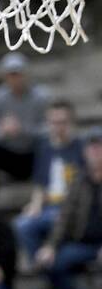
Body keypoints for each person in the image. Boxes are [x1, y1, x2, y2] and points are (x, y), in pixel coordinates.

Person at [14, 100, 85, 265]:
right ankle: (43, 266)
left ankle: (52, 264)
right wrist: (35, 205)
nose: (57, 127)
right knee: (22, 224)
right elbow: (40, 184)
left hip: (73, 209)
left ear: (71, 122)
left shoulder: (81, 148)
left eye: (62, 122)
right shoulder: (44, 147)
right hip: (50, 207)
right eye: (53, 122)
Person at [36, 126, 102, 289]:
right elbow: (64, 217)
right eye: (91, 147)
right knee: (48, 263)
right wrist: (50, 246)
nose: (95, 151)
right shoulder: (78, 182)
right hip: (83, 244)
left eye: (99, 146)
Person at [0, 52, 49, 182]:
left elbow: (49, 130)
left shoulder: (41, 97)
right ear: (4, 76)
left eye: (18, 74)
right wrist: (2, 131)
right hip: (8, 152)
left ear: (26, 74)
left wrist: (23, 129)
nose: (15, 79)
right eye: (11, 74)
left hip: (32, 153)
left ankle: (44, 186)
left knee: (47, 146)